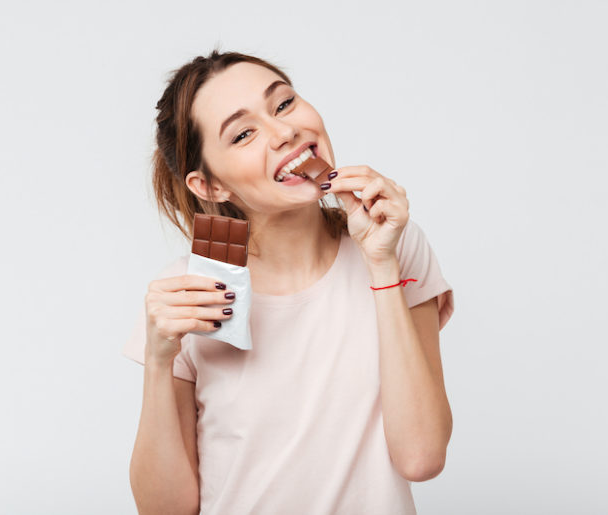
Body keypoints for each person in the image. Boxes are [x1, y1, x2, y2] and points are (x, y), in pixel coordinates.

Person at [122, 49, 456, 515]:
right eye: (243, 134)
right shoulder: (189, 289)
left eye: (282, 104)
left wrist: (381, 266)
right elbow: (165, 510)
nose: (284, 132)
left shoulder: (392, 244)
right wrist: (160, 362)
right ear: (211, 187)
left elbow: (421, 457)